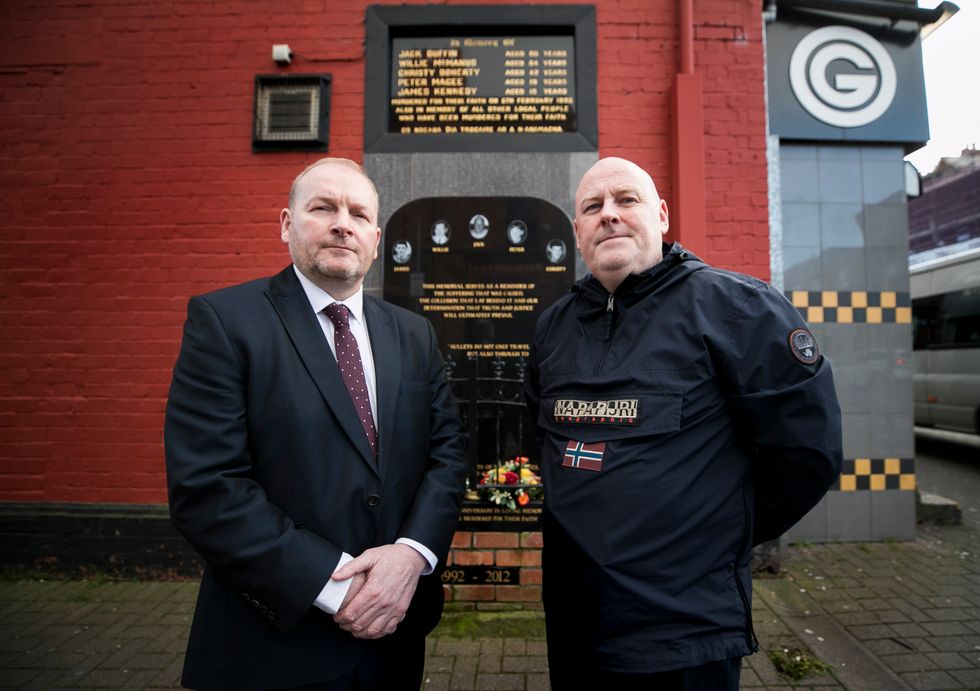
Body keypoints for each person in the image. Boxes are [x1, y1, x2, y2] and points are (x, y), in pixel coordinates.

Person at [524, 157, 842, 690]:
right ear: (577, 229)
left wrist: (713, 536)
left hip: (685, 630)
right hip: (577, 623)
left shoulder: (738, 310)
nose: (609, 216)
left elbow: (807, 454)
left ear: (661, 215)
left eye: (626, 200)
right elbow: (543, 442)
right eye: (592, 207)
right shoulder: (553, 327)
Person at [165, 157, 468, 691]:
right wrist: (336, 587)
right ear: (286, 224)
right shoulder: (225, 322)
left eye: (357, 213)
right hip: (276, 645)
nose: (341, 223)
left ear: (375, 237)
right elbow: (208, 489)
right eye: (322, 207)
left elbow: (447, 455)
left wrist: (410, 556)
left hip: (395, 638)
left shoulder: (413, 334)